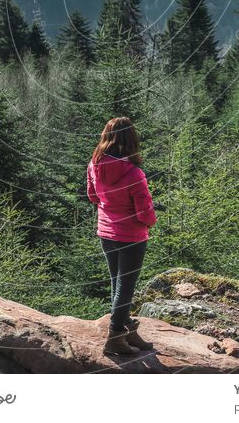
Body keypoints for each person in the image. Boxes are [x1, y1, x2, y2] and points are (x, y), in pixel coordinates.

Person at [87, 116, 157, 355]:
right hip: (131, 237)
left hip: (106, 232)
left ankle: (125, 329)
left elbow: (93, 196)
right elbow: (144, 212)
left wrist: (110, 208)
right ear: (131, 140)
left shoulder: (94, 165)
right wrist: (150, 222)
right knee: (125, 287)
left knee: (117, 283)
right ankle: (115, 337)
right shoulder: (134, 173)